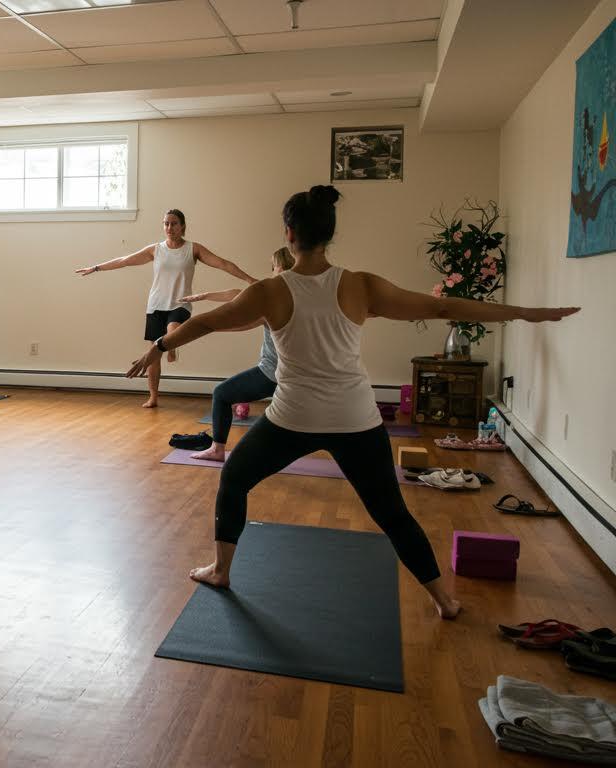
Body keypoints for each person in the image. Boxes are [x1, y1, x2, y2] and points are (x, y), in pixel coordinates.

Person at [127, 185, 579, 619]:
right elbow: (442, 308)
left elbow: (205, 323)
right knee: (392, 513)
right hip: (356, 419)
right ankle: (443, 599)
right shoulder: (360, 285)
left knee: (235, 480)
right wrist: (523, 313)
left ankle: (221, 571)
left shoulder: (270, 290)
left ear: (289, 234)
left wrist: (158, 349)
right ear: (330, 234)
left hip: (292, 418)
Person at [77, 209, 256, 407]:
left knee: (172, 330)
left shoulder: (193, 249)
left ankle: (172, 345)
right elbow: (125, 261)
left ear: (183, 226)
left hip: (181, 303)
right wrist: (96, 267)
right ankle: (153, 396)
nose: (169, 228)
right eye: (166, 224)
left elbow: (222, 264)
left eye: (174, 223)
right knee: (154, 353)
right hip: (155, 305)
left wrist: (249, 279)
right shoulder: (156, 249)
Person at [179, 247, 294, 461]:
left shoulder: (270, 295)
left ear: (279, 268)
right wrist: (204, 295)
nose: (273, 272)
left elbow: (240, 312)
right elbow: (236, 294)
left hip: (272, 374)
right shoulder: (301, 294)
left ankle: (217, 449)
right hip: (297, 376)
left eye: (275, 267)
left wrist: (209, 327)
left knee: (222, 394)